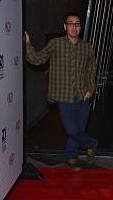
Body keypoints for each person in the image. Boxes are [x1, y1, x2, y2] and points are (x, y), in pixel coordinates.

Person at [25, 12, 98, 168]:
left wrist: (91, 89)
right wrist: (27, 44)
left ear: (80, 27)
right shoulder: (55, 44)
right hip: (64, 96)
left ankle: (71, 156)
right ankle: (92, 144)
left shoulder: (87, 47)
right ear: (65, 26)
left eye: (77, 23)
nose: (74, 27)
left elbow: (92, 69)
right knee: (72, 130)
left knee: (78, 129)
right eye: (70, 23)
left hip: (83, 95)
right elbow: (37, 59)